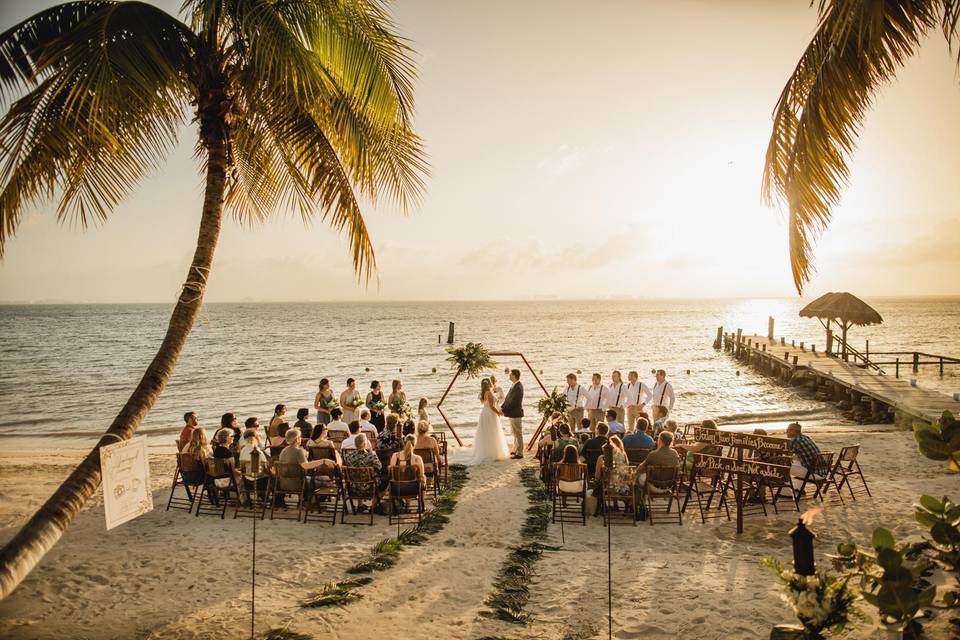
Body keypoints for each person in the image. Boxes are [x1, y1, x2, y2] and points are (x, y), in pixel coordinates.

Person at [470, 377, 511, 464]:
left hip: (485, 413)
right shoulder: (489, 393)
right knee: (493, 432)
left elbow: (490, 404)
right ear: (489, 384)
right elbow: (492, 406)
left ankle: (487, 451)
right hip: (490, 413)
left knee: (487, 433)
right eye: (490, 382)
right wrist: (498, 413)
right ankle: (492, 453)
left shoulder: (484, 392)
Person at [342, 433, 383, 512]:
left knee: (357, 477)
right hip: (369, 488)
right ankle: (372, 506)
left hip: (352, 488)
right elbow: (379, 467)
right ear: (365, 444)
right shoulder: (371, 455)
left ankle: (360, 505)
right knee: (383, 481)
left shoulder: (348, 456)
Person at [786, 422, 824, 489]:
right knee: (798, 462)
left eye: (788, 430)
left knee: (783, 467)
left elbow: (788, 457)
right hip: (823, 472)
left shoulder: (794, 440)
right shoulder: (806, 437)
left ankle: (786, 493)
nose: (786, 432)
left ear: (794, 431)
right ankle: (799, 488)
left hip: (813, 474)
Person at [237, 429, 268, 505]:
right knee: (271, 477)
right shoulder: (258, 451)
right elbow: (265, 466)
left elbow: (242, 466)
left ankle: (253, 498)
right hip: (258, 482)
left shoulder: (243, 450)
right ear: (254, 438)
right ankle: (263, 497)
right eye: (258, 436)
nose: (259, 438)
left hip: (247, 481)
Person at [501, 368, 525, 459]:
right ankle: (515, 449)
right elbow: (507, 399)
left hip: (516, 413)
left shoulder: (518, 387)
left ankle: (520, 453)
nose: (509, 376)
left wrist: (503, 410)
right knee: (515, 433)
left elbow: (513, 402)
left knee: (518, 433)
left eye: (510, 374)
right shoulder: (514, 385)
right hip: (512, 413)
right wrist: (502, 407)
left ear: (514, 376)